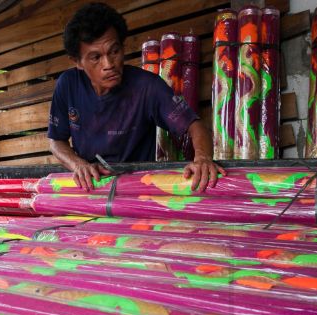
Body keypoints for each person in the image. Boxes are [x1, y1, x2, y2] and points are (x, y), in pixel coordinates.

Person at [48, 2, 225, 191]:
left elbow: (196, 126)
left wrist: (203, 159)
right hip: (90, 187)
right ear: (78, 62)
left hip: (137, 189)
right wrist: (78, 165)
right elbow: (56, 142)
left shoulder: (147, 86)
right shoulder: (68, 85)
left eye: (114, 51)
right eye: (95, 57)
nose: (109, 64)